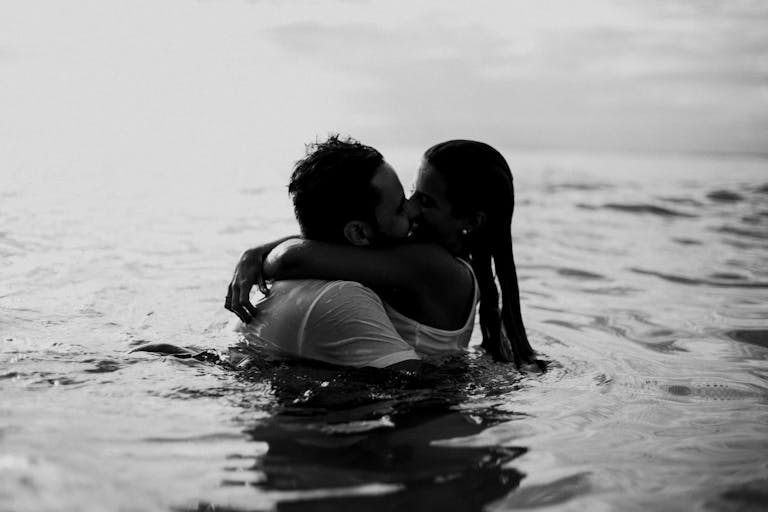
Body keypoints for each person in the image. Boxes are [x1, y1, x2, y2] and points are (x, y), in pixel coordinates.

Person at [227, 139, 536, 366]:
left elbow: (295, 258)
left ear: (470, 221)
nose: (412, 208)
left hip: (417, 403)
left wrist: (259, 255)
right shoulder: (424, 258)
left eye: (426, 202)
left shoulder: (431, 265)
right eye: (413, 194)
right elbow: (338, 244)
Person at [228, 136, 422, 371]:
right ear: (359, 233)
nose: (413, 210)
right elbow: (412, 383)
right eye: (400, 208)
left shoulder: (284, 283)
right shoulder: (343, 296)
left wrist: (257, 252)